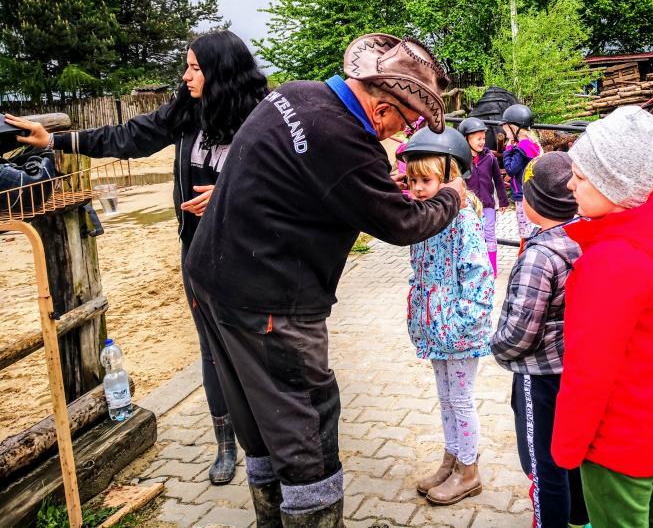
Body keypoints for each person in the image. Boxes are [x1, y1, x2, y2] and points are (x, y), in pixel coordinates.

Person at [183, 33, 468, 526]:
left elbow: (308, 178)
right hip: (269, 302)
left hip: (215, 280)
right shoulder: (348, 143)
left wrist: (377, 186)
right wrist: (453, 197)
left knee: (259, 418)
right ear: (381, 110)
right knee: (305, 423)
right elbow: (402, 225)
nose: (403, 132)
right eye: (405, 120)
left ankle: (271, 517)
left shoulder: (298, 94)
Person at [5, 30, 268, 486]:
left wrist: (230, 195)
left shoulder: (263, 119)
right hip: (198, 254)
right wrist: (57, 143)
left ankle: (266, 438)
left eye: (195, 67)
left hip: (251, 255)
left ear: (222, 71)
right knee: (211, 350)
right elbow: (130, 135)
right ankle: (226, 442)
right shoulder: (187, 113)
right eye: (185, 65)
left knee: (256, 347)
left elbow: (287, 183)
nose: (186, 76)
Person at [552, 106, 653, 528]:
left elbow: (589, 371)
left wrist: (567, 446)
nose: (569, 183)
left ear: (612, 184)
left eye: (580, 175)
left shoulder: (610, 264)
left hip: (614, 440)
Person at [490, 151, 589, 528]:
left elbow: (520, 331)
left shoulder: (539, 256)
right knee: (571, 453)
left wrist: (497, 346)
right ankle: (581, 519)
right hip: (575, 369)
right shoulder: (583, 238)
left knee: (543, 463)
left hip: (539, 377)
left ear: (535, 203)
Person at [400, 126, 494, 506]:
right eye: (413, 181)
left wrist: (463, 323)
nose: (419, 189)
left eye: (426, 180)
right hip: (435, 327)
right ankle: (451, 459)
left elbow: (479, 277)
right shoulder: (426, 218)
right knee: (445, 397)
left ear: (451, 177)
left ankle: (468, 471)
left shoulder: (463, 222)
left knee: (461, 400)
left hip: (458, 328)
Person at [458, 117, 509, 276]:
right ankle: (473, 266)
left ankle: (492, 269)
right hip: (468, 206)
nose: (482, 142)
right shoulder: (461, 160)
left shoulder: (490, 157)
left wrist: (503, 200)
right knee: (471, 235)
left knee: (490, 235)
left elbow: (498, 180)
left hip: (487, 204)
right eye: (478, 139)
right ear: (466, 138)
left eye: (483, 138)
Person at [501, 104, 542, 240]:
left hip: (521, 194)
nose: (506, 134)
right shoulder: (531, 145)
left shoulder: (522, 147)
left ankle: (525, 254)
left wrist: (507, 149)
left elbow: (511, 169)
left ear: (514, 129)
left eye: (507, 131)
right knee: (532, 228)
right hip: (532, 192)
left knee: (525, 232)